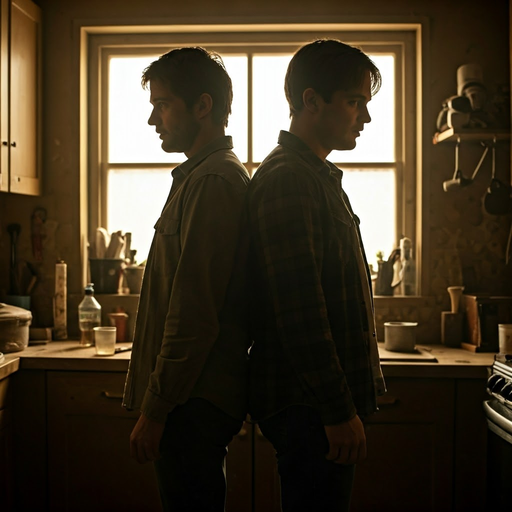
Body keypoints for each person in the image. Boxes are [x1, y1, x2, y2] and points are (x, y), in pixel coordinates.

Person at [247, 39, 387, 512]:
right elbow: (299, 310)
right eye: (354, 102)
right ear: (311, 100)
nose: (364, 117)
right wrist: (337, 410)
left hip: (315, 406)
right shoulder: (290, 178)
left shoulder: (314, 174)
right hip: (309, 408)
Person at [122, 47, 250, 512]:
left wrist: (156, 409)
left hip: (191, 401)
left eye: (163, 105)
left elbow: (195, 314)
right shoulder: (197, 178)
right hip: (187, 397)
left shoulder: (214, 181)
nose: (154, 120)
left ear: (203, 106)